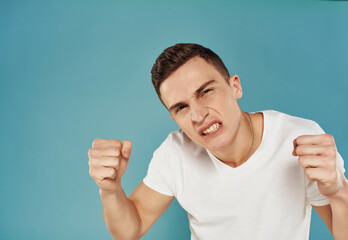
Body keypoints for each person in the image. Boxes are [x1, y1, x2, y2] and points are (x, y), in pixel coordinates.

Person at [88, 43, 348, 240]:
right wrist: (110, 189)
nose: (198, 115)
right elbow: (130, 229)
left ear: (235, 86)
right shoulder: (175, 152)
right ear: (173, 116)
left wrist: (338, 191)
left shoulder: (298, 139)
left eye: (206, 92)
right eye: (181, 107)